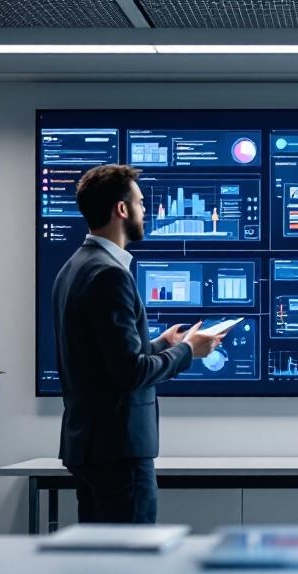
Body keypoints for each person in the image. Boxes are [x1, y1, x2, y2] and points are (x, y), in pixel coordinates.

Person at [52, 164, 224, 524]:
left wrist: (162, 343)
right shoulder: (109, 274)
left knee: (101, 561)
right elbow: (129, 373)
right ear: (122, 209)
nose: (146, 211)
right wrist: (188, 351)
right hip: (119, 451)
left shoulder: (73, 268)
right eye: (141, 203)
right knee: (130, 559)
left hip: (89, 447)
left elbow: (102, 358)